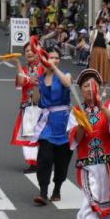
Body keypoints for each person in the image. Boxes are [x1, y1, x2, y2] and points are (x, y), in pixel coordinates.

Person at [68, 69, 110, 219]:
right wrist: (82, 125)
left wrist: (102, 107)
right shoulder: (76, 111)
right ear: (81, 89)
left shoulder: (109, 105)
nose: (89, 89)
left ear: (99, 88)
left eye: (92, 85)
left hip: (109, 162)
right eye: (85, 86)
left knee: (106, 198)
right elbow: (74, 139)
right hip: (88, 163)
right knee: (89, 199)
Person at [32, 45, 74, 205]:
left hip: (64, 122)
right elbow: (36, 101)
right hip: (47, 122)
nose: (54, 60)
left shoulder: (65, 75)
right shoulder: (41, 78)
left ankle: (57, 188)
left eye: (57, 58)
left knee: (62, 160)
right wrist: (35, 85)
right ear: (44, 59)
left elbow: (67, 84)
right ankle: (43, 192)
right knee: (45, 157)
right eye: (51, 57)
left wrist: (54, 68)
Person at [89, 18, 110, 86]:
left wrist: (104, 32)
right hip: (95, 51)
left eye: (103, 23)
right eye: (100, 23)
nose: (101, 24)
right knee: (94, 68)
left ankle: (104, 88)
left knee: (104, 69)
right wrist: (93, 31)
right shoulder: (94, 31)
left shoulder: (107, 32)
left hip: (103, 52)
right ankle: (95, 86)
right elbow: (91, 40)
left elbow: (107, 41)